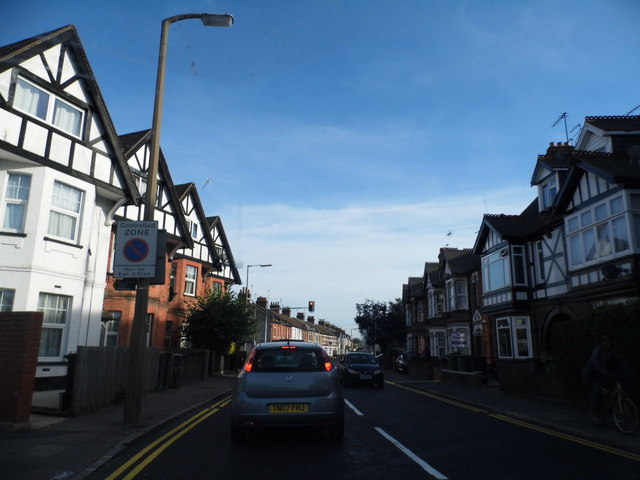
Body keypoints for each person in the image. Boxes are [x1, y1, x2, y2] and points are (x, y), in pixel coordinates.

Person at [583, 336, 631, 424]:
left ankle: (608, 413)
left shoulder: (611, 352)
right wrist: (601, 369)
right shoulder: (597, 350)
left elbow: (620, 362)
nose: (608, 343)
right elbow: (594, 361)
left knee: (612, 391)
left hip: (604, 373)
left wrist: (628, 371)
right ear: (601, 343)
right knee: (597, 391)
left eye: (609, 342)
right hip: (594, 373)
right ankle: (595, 414)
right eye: (605, 342)